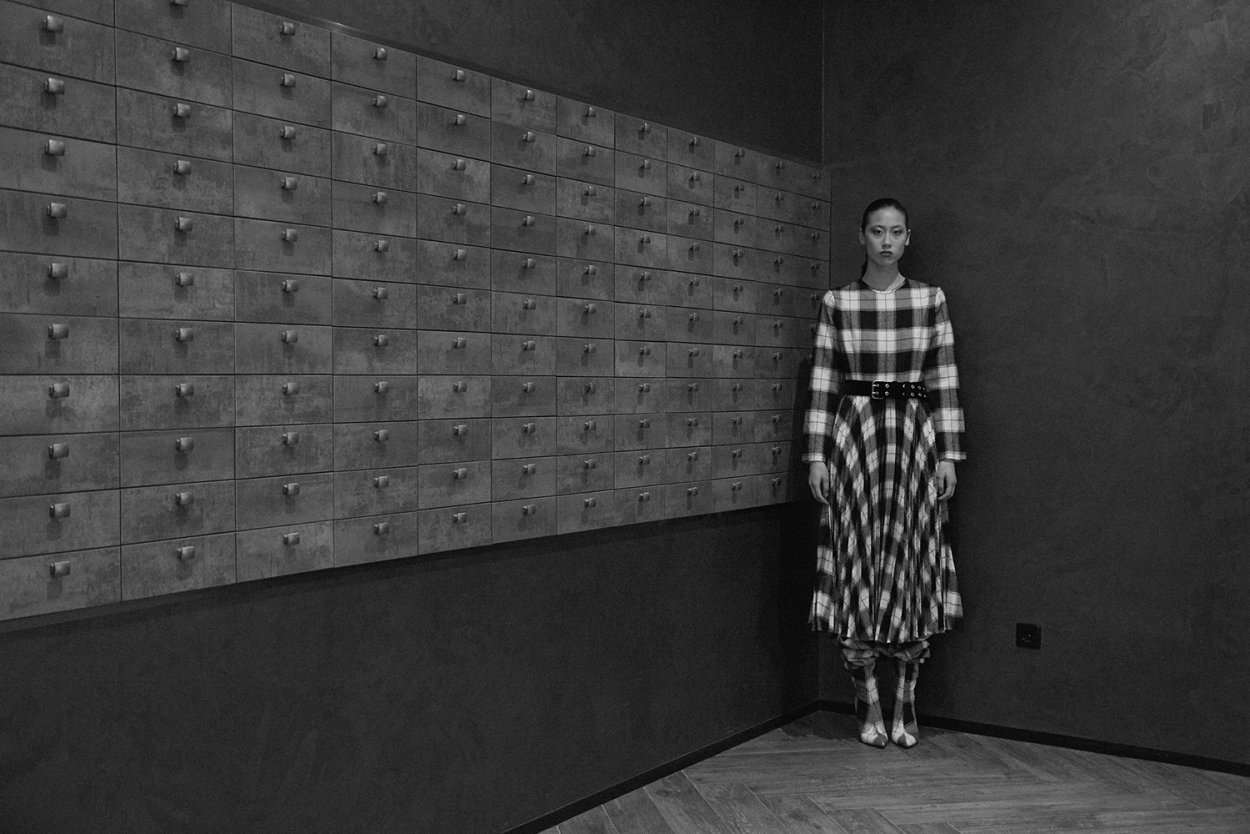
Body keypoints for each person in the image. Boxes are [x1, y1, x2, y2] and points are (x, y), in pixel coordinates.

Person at [803, 197, 966, 749]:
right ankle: (867, 691)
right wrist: (817, 455)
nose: (887, 241)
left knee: (912, 555)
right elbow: (823, 379)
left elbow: (944, 376)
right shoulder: (838, 302)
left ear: (908, 237)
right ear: (862, 236)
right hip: (856, 436)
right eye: (877, 231)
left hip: (915, 436)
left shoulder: (929, 299)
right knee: (857, 555)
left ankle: (907, 695)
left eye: (896, 232)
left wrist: (948, 453)